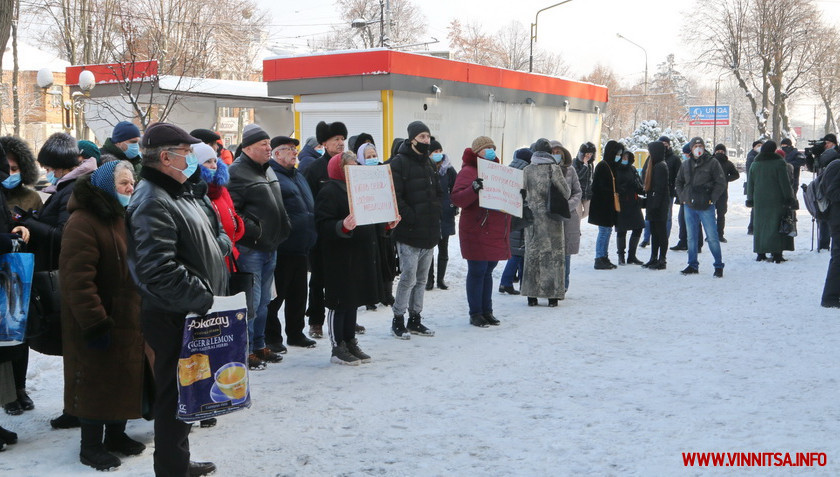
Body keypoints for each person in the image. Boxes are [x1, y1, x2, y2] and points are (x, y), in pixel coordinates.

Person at [126, 122, 226, 477]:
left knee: (188, 392)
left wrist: (219, 248)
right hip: (173, 314)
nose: (192, 159)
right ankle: (171, 469)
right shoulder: (152, 198)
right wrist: (202, 298)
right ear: (165, 157)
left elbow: (208, 236)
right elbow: (157, 270)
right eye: (186, 153)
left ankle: (178, 460)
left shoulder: (180, 192)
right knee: (174, 396)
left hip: (189, 311)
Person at [59, 160, 147, 471]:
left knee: (122, 378)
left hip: (128, 316)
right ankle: (91, 446)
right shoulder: (83, 221)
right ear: (107, 187)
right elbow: (76, 280)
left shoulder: (120, 216)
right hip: (97, 318)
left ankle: (116, 436)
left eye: (131, 181)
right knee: (96, 381)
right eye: (124, 182)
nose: (130, 187)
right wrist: (95, 322)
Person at [22, 133, 97, 429]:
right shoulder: (65, 186)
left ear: (63, 164)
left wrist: (31, 224)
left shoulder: (75, 187)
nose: (48, 172)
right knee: (74, 349)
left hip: (68, 278)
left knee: (76, 348)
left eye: (51, 167)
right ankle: (75, 406)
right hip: (65, 275)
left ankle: (80, 408)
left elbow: (65, 235)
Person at [315, 151, 400, 364]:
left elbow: (372, 218)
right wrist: (341, 226)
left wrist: (387, 224)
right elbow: (322, 225)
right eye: (351, 164)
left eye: (356, 163)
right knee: (339, 301)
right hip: (339, 256)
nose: (356, 166)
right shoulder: (329, 191)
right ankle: (338, 347)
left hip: (360, 254)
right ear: (340, 169)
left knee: (352, 300)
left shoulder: (361, 189)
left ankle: (350, 340)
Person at [228, 124, 291, 369]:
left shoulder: (268, 170)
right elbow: (234, 213)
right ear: (248, 148)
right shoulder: (237, 172)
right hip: (251, 248)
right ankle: (245, 350)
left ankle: (259, 344)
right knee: (250, 304)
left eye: (269, 143)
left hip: (270, 246)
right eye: (263, 144)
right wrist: (256, 230)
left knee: (265, 301)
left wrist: (283, 224)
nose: (268, 148)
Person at [265, 136, 318, 351]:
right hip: (283, 246)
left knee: (298, 294)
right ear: (276, 154)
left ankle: (295, 333)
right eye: (289, 149)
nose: (294, 152)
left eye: (295, 149)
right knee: (276, 298)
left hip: (302, 246)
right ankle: (272, 338)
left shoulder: (297, 175)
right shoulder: (272, 176)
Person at [388, 121, 440, 338]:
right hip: (409, 233)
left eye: (428, 136)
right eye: (422, 137)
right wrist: (412, 217)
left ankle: (415, 318)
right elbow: (395, 197)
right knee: (408, 278)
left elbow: (436, 193)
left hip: (428, 232)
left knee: (421, 279)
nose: (426, 141)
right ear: (412, 140)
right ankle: (398, 319)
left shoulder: (428, 163)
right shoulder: (399, 163)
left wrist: (437, 213)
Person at [451, 136, 510, 327]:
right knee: (478, 270)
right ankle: (475, 312)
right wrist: (473, 188)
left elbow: (504, 196)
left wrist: (518, 196)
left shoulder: (497, 172)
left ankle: (487, 310)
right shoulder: (468, 171)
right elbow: (458, 199)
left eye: (492, 147)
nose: (491, 151)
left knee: (488, 271)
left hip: (492, 228)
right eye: (487, 148)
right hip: (476, 228)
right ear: (477, 152)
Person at [0, 136, 40, 417]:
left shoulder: (31, 195)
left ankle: (20, 388)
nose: (11, 174)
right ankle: (9, 395)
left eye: (16, 169)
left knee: (19, 335)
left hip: (21, 272)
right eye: (7, 168)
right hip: (5, 271)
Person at [302, 121, 347, 339]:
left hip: (346, 233)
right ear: (324, 144)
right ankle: (316, 320)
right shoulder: (314, 169)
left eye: (342, 139)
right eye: (335, 140)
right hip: (322, 233)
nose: (340, 143)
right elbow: (308, 202)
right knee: (318, 279)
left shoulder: (350, 165)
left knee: (344, 279)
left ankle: (344, 318)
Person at [520, 145, 571, 306]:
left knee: (532, 255)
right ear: (549, 152)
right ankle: (552, 295)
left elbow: (521, 192)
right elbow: (566, 192)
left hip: (533, 220)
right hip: (552, 219)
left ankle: (531, 295)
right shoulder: (553, 169)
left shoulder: (527, 169)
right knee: (553, 256)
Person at [675, 137, 726, 277]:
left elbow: (720, 182)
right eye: (695, 146)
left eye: (700, 145)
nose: (698, 148)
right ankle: (692, 264)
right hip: (689, 205)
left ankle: (718, 265)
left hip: (706, 205)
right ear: (691, 149)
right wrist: (683, 198)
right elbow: (678, 182)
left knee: (712, 237)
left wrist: (712, 199)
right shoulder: (685, 164)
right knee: (691, 237)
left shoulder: (713, 163)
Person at [746, 140, 795, 263]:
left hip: (760, 200)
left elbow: (750, 184)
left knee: (760, 226)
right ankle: (777, 253)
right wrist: (789, 198)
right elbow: (785, 183)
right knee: (776, 224)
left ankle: (760, 252)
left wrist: (750, 199)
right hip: (776, 199)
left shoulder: (755, 164)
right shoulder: (779, 163)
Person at [499, 148, 532, 295]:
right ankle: (506, 282)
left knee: (518, 251)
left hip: (507, 215)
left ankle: (513, 282)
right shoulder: (525, 172)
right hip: (519, 216)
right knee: (518, 252)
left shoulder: (509, 168)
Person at [425, 139, 457, 291]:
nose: (438, 154)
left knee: (443, 249)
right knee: (429, 249)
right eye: (434, 152)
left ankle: (441, 279)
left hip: (446, 213)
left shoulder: (449, 170)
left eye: (439, 151)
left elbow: (456, 188)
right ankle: (429, 280)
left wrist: (454, 205)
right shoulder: (425, 168)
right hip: (430, 214)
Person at [589, 140, 624, 269]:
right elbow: (598, 187)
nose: (619, 156)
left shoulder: (611, 166)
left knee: (607, 231)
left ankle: (604, 256)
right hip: (602, 207)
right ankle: (599, 257)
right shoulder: (603, 166)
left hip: (607, 207)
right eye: (617, 153)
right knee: (604, 232)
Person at [553, 142, 582, 292]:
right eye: (553, 151)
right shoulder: (544, 170)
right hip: (551, 217)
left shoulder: (571, 170)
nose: (556, 154)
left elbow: (578, 191)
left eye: (559, 152)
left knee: (566, 254)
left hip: (568, 216)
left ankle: (564, 284)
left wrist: (568, 205)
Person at [641, 135, 679, 247]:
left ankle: (663, 240)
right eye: (661, 144)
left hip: (667, 193)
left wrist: (675, 189)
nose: (663, 146)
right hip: (651, 193)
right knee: (649, 218)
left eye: (665, 144)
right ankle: (647, 238)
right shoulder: (651, 158)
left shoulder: (674, 159)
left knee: (666, 218)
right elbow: (644, 172)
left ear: (669, 145)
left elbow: (679, 176)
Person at [642, 141, 670, 270]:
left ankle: (661, 259)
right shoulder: (654, 164)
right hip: (653, 203)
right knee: (654, 232)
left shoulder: (661, 166)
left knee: (660, 232)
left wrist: (654, 204)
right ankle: (653, 257)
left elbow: (659, 188)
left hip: (658, 205)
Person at [614, 150, 645, 265]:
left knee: (638, 227)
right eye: (623, 157)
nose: (625, 159)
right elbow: (615, 185)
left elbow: (638, 183)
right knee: (622, 230)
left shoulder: (632, 169)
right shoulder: (616, 169)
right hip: (621, 203)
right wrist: (623, 188)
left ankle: (632, 255)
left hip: (634, 202)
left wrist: (640, 187)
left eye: (627, 157)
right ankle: (621, 256)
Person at [671, 142, 703, 252]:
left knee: (695, 221)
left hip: (696, 198)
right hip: (685, 197)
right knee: (682, 220)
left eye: (686, 154)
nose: (684, 156)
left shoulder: (701, 164)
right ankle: (683, 242)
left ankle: (697, 244)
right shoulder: (686, 164)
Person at [816, 134, 839, 251]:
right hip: (824, 188)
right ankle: (823, 243)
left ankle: (828, 241)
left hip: (832, 190)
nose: (826, 145)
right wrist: (814, 156)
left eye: (828, 143)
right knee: (823, 214)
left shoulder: (836, 156)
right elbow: (813, 167)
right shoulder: (823, 155)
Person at [712, 143, 740, 242]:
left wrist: (725, 179)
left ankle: (720, 234)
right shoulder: (710, 161)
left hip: (723, 192)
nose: (720, 153)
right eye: (718, 151)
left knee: (721, 214)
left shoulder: (728, 163)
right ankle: (711, 234)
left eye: (722, 151)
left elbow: (736, 175)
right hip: (710, 191)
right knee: (710, 214)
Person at [573, 142, 595, 218]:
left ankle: (574, 222)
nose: (589, 156)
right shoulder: (575, 162)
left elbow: (592, 177)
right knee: (578, 214)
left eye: (590, 154)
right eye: (587, 154)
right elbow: (577, 177)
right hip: (577, 193)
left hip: (587, 193)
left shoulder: (591, 164)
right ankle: (576, 228)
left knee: (587, 212)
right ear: (582, 153)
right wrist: (584, 166)